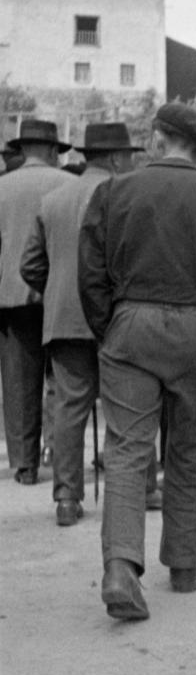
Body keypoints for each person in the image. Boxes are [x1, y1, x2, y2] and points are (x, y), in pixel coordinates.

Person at [78, 104, 196, 621]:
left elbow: (90, 273)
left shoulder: (112, 192)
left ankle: (119, 568)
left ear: (156, 140)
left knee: (129, 450)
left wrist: (108, 327)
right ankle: (182, 564)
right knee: (192, 449)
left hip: (129, 324)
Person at [19, 122, 142, 526]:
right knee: (130, 405)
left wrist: (56, 288)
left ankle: (67, 499)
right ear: (114, 158)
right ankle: (141, 490)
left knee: (70, 407)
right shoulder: (126, 196)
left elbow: (30, 265)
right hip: (115, 316)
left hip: (65, 317)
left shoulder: (53, 199)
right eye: (127, 156)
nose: (130, 163)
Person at [0, 119, 73, 485]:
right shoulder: (70, 185)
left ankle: (25, 463)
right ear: (49, 151)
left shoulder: (2, 188)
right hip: (61, 295)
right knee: (63, 378)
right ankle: (59, 451)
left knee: (17, 383)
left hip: (12, 298)